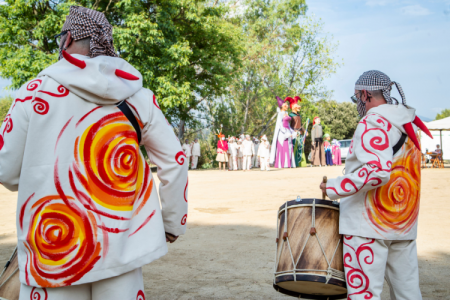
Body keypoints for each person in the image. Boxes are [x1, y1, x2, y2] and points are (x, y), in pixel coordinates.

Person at [0, 6, 188, 299]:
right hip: (122, 249)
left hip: (54, 255)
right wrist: (172, 223)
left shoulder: (32, 93)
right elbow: (175, 162)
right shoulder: (137, 96)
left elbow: (7, 172)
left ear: (69, 38)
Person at [320, 70, 432, 300]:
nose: (356, 103)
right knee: (408, 292)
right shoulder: (408, 124)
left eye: (355, 98)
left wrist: (334, 187)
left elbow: (377, 171)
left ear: (364, 95)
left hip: (367, 224)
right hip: (402, 222)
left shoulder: (372, 123)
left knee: (364, 294)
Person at [270, 96, 295, 168]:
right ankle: (282, 163)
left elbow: (288, 125)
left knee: (289, 147)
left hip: (287, 131)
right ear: (281, 106)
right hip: (282, 134)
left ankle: (288, 164)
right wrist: (286, 133)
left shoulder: (286, 113)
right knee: (284, 147)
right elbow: (280, 125)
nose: (287, 105)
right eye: (285, 104)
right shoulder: (280, 114)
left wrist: (292, 132)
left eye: (287, 104)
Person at [288, 96, 307, 167]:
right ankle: (294, 163)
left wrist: (304, 130)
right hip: (294, 134)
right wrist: (293, 133)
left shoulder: (299, 115)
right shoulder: (290, 115)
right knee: (294, 148)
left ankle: (300, 163)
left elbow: (300, 125)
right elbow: (288, 126)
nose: (299, 107)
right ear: (293, 107)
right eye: (296, 105)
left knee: (300, 148)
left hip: (300, 133)